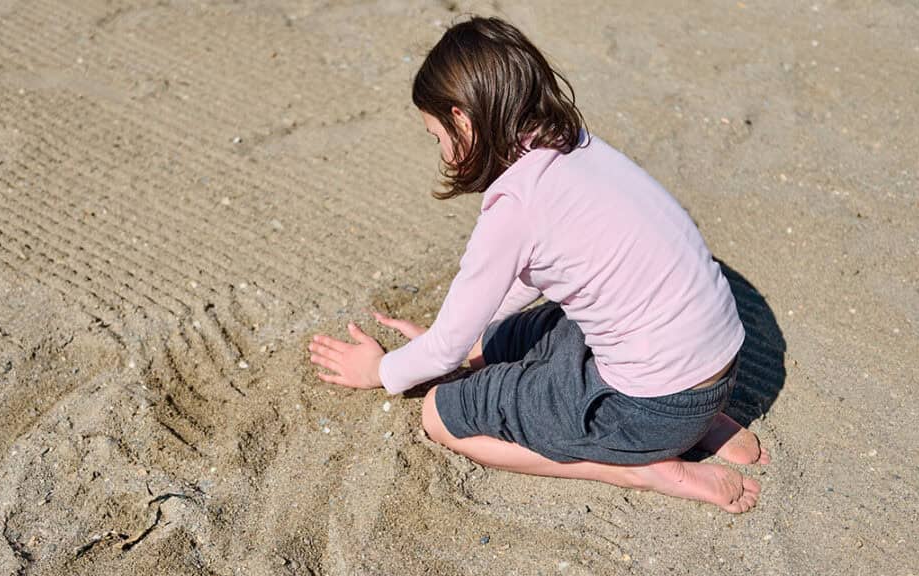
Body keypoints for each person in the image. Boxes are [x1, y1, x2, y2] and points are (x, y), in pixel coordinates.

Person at [307, 16, 769, 513]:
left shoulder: (515, 209)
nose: (440, 150)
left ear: (462, 121)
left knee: (441, 415)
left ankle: (642, 468)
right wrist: (453, 340)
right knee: (495, 344)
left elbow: (441, 358)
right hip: (717, 371)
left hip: (654, 407)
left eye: (435, 135)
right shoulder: (575, 145)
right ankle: (709, 426)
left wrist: (382, 368)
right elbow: (513, 293)